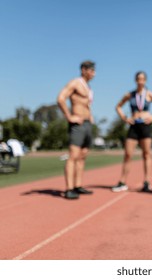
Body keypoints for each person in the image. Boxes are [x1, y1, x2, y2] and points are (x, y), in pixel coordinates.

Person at [112, 71, 152, 192]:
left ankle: (146, 182)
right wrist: (125, 118)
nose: (140, 81)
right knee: (128, 154)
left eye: (142, 79)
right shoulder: (130, 94)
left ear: (145, 81)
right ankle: (122, 182)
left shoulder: (149, 94)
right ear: (135, 80)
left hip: (145, 126)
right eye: (138, 79)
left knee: (146, 154)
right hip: (133, 126)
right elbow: (118, 106)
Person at [57, 60, 96, 199]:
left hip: (87, 124)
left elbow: (87, 105)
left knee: (83, 155)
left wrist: (90, 116)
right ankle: (68, 189)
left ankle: (77, 186)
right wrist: (69, 117)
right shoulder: (75, 83)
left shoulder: (88, 87)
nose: (94, 73)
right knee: (73, 156)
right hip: (77, 124)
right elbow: (60, 98)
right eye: (91, 70)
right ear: (84, 70)